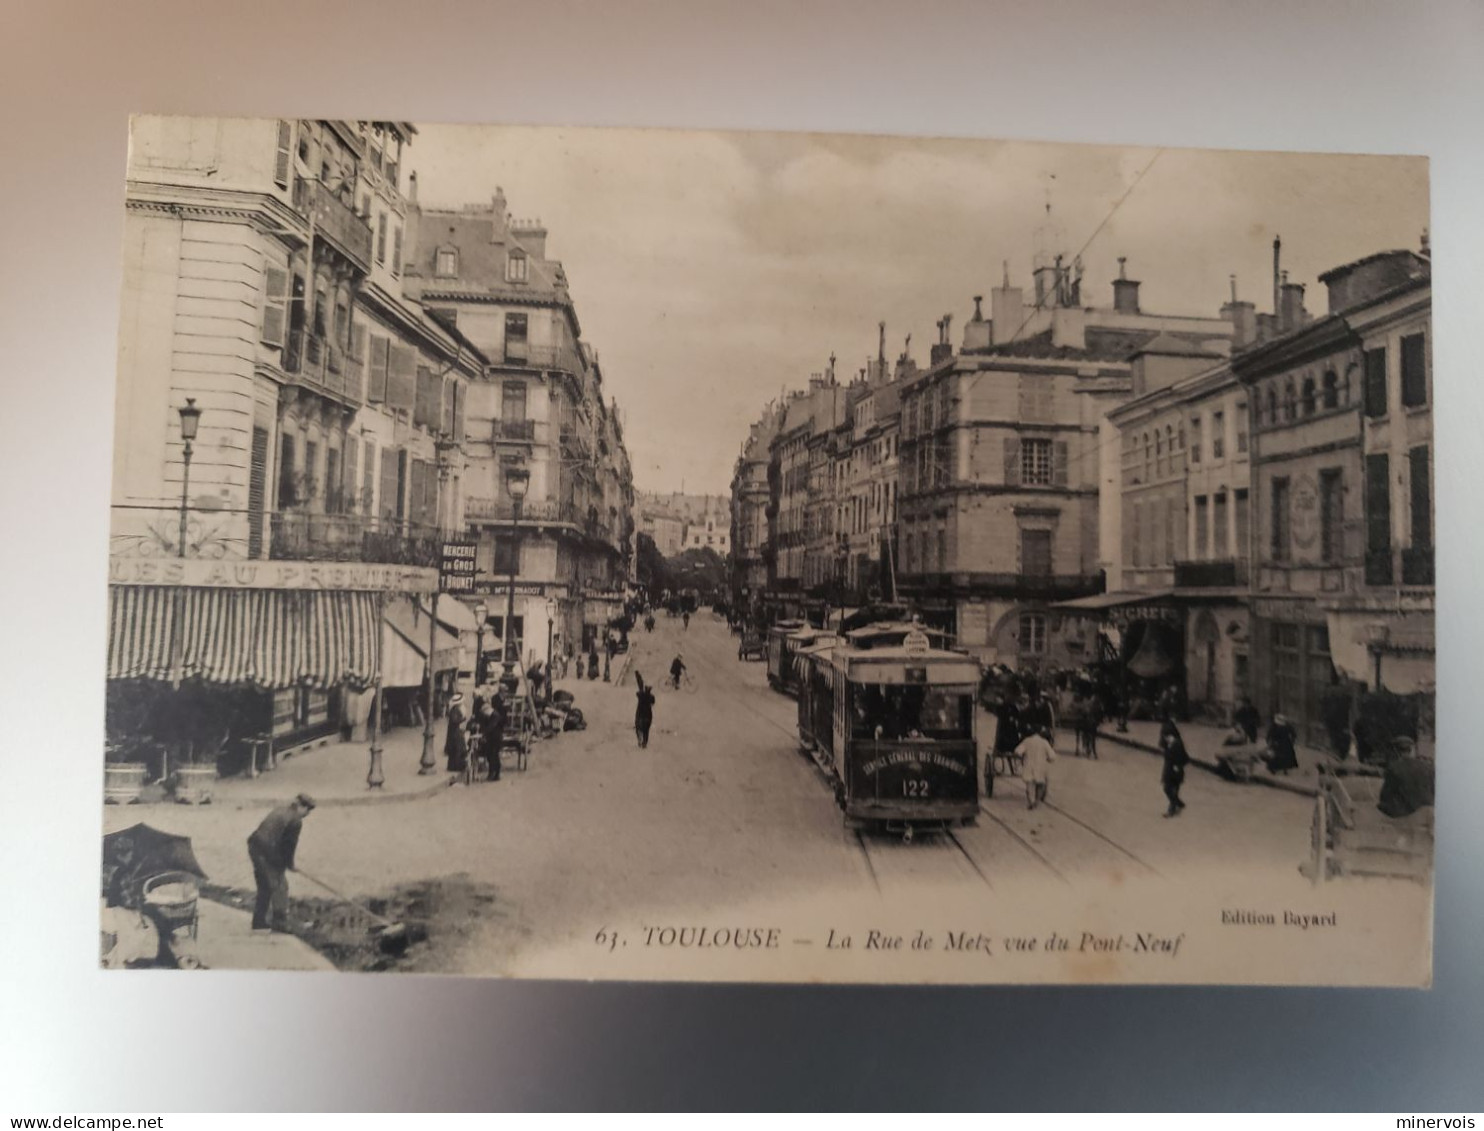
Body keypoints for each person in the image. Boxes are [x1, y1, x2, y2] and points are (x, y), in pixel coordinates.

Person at [247, 794, 315, 932]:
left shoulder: (280, 809)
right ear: (301, 807)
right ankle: (279, 923)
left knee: (265, 885)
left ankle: (258, 922)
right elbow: (289, 845)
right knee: (280, 886)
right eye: (308, 810)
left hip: (254, 845)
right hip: (266, 851)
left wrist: (284, 863)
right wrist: (289, 864)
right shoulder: (296, 820)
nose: (308, 814)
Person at [1015, 725, 1057, 810]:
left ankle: (1031, 801)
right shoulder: (1044, 742)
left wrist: (1021, 755)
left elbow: (1017, 751)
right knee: (1040, 785)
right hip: (1041, 767)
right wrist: (1048, 759)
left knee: (1029, 785)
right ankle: (1037, 801)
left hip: (1029, 766)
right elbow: (1052, 756)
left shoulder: (1027, 741)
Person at [1159, 719, 1189, 817]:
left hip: (1176, 773)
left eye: (1169, 736)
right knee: (1167, 789)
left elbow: (1185, 758)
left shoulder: (1178, 744)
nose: (1167, 738)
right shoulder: (1168, 745)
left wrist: (1178, 766)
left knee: (1173, 790)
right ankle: (1178, 803)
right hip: (1168, 772)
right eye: (1165, 737)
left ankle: (1171, 810)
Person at [444, 693, 469, 777]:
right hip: (455, 732)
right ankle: (456, 766)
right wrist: (463, 719)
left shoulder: (454, 709)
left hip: (455, 731)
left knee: (457, 748)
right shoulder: (455, 710)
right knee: (457, 748)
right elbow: (455, 721)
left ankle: (455, 765)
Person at [634, 673, 657, 748]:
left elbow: (637, 693)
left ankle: (639, 740)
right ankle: (644, 743)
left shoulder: (641, 694)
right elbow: (653, 703)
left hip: (640, 715)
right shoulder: (651, 697)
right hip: (648, 716)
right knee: (646, 731)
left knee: (638, 727)